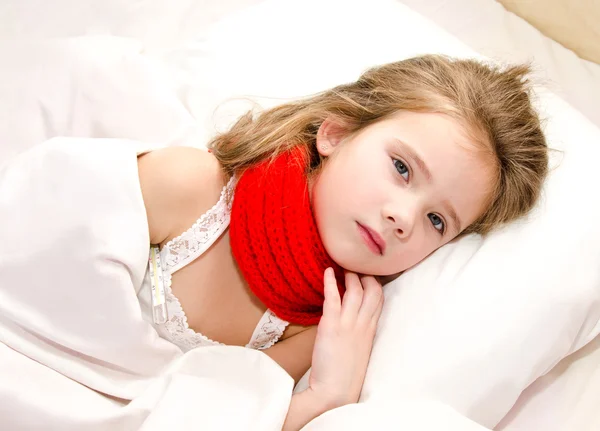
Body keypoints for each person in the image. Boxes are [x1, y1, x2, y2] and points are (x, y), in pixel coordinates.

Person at [3, 54, 548, 430]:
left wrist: (328, 396)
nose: (403, 217)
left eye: (437, 221)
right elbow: (34, 251)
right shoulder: (191, 187)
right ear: (335, 132)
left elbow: (220, 422)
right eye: (402, 167)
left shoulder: (317, 323)